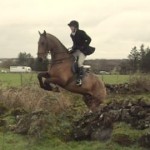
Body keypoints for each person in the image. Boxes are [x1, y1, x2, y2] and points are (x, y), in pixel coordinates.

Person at [68, 20, 95, 86]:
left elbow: (89, 39)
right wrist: (71, 48)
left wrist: (83, 46)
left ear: (75, 27)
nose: (70, 28)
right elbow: (75, 44)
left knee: (79, 63)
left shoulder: (81, 32)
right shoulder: (71, 35)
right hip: (76, 50)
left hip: (83, 51)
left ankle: (79, 79)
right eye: (70, 27)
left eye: (71, 26)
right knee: (69, 59)